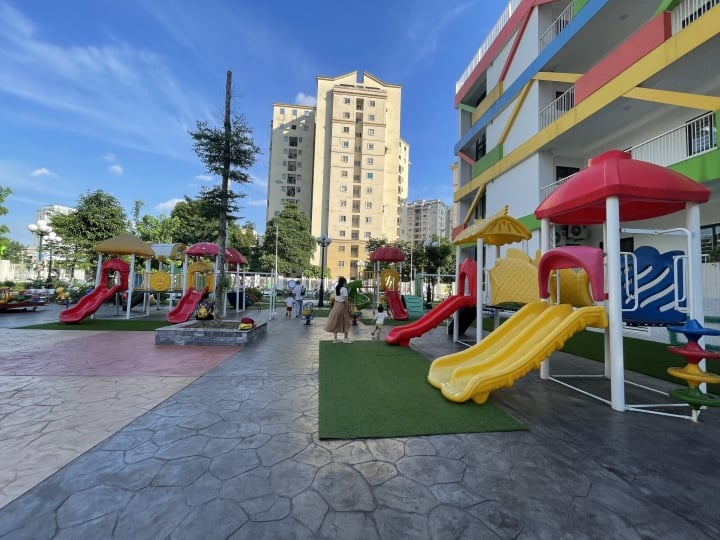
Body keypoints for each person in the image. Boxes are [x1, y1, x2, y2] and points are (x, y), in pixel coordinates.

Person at [324, 276, 352, 343]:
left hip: (336, 306)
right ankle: (345, 338)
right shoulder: (344, 289)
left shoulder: (337, 288)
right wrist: (348, 308)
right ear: (344, 282)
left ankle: (335, 339)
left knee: (336, 321)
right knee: (345, 321)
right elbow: (345, 300)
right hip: (342, 306)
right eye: (345, 282)